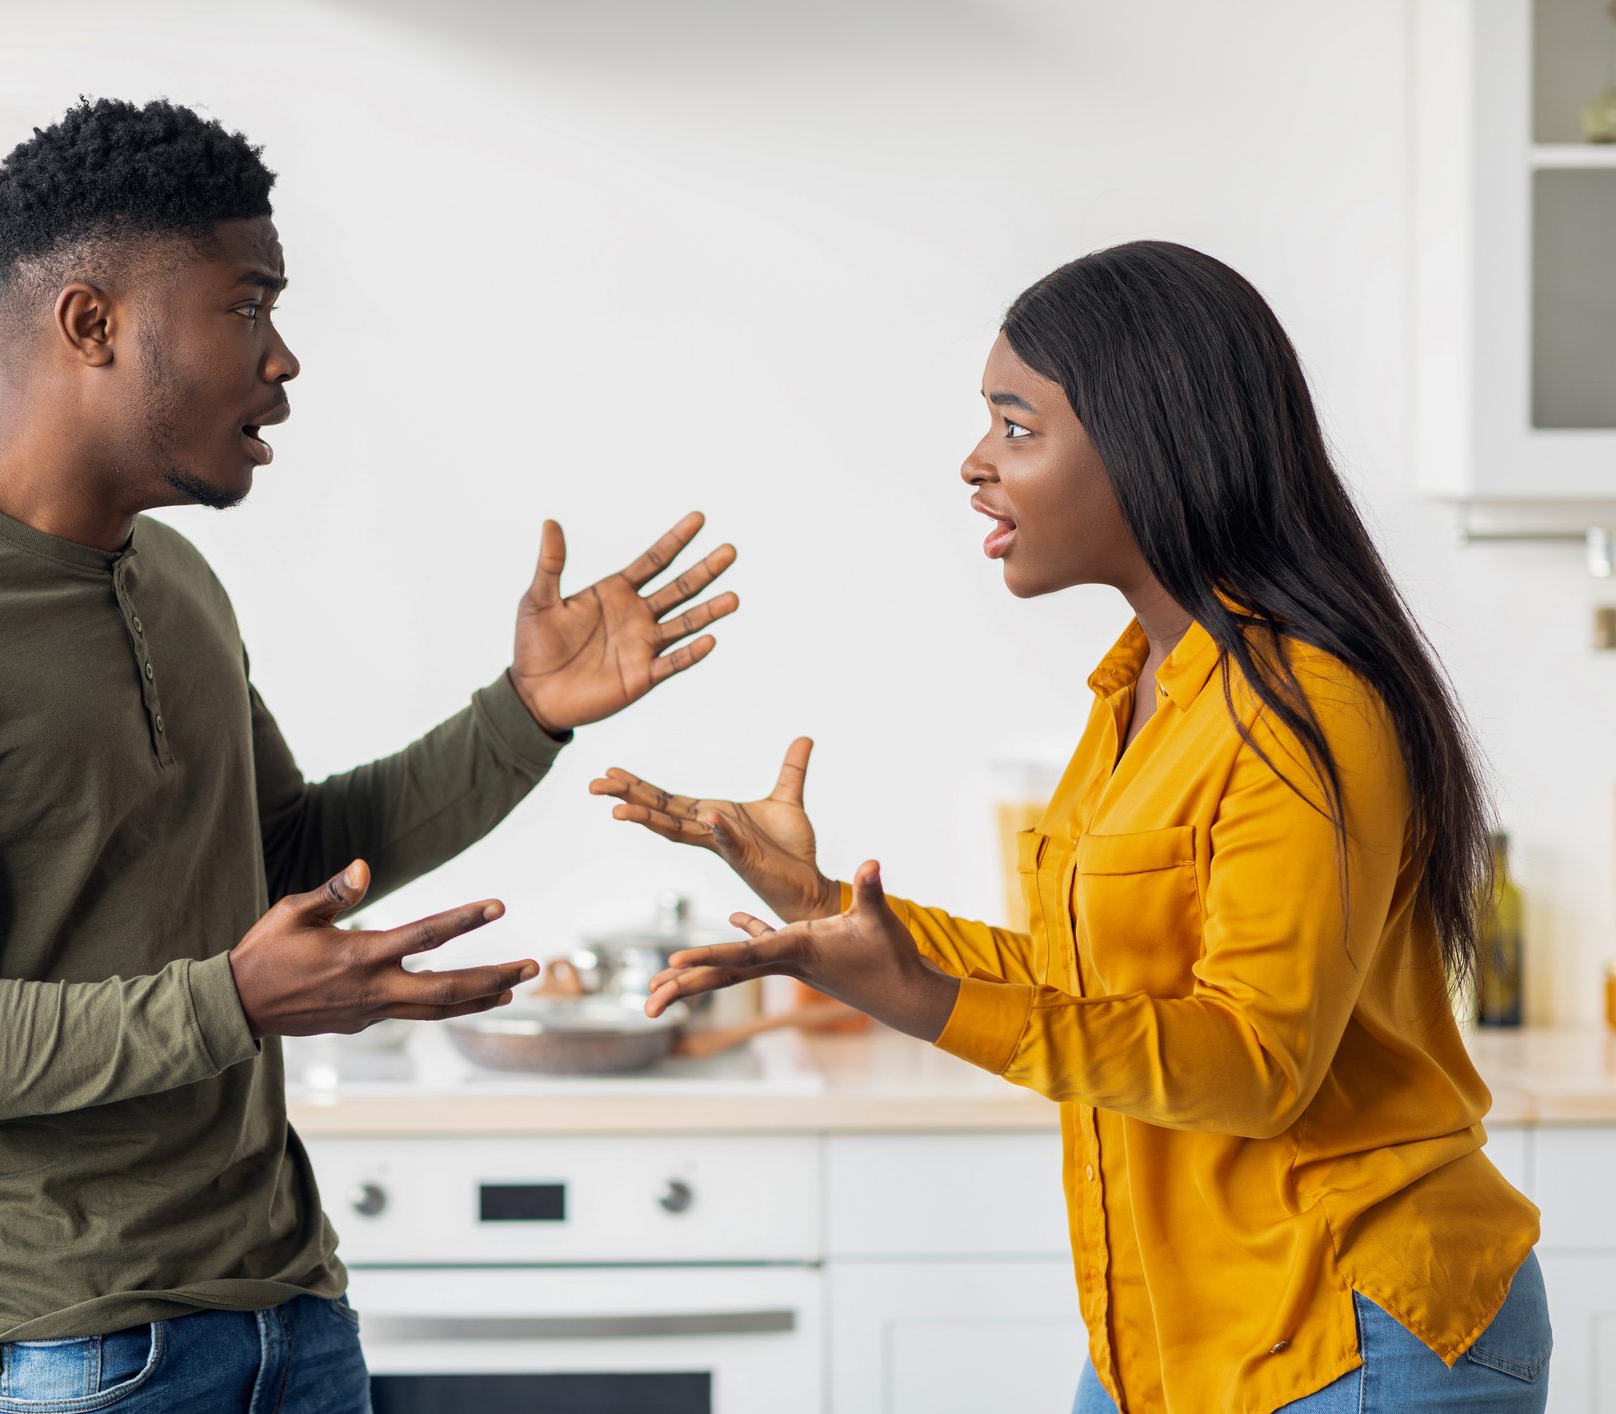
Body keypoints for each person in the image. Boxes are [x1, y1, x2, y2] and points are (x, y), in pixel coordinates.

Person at [0, 97, 741, 1414]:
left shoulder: (170, 576)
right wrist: (233, 999)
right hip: (50, 1351)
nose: (282, 360)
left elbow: (276, 860)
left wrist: (524, 712)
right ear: (90, 323)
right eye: (247, 306)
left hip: (281, 1310)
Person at [599, 241, 1550, 1412]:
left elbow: (1257, 1063)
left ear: (1155, 441)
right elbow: (1088, 983)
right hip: (1169, 1331)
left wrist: (925, 1000)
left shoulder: (1311, 708)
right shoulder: (1136, 697)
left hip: (1352, 1327)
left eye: (1016, 425)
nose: (974, 462)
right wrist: (825, 912)